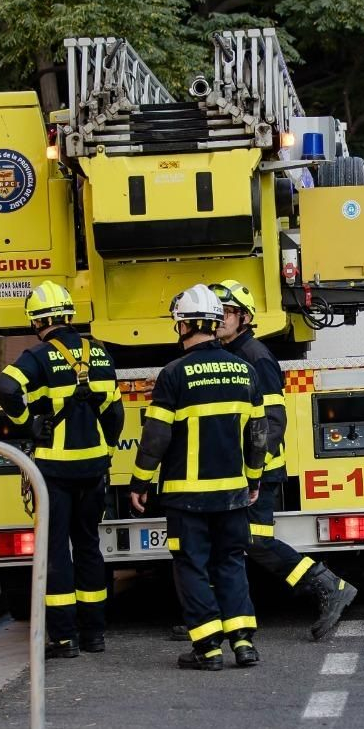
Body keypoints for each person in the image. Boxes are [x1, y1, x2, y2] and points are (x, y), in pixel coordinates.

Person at [129, 285, 268, 671]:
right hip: (232, 494)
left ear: (185, 325)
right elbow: (258, 436)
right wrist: (253, 479)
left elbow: (155, 437)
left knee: (191, 565)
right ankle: (243, 643)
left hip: (185, 497)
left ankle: (207, 649)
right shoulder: (245, 370)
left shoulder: (174, 374)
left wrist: (139, 483)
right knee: (230, 562)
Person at [212, 280, 358, 640]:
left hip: (260, 470)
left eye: (227, 313)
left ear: (244, 318)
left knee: (255, 541)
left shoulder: (256, 357)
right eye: (217, 313)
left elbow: (274, 422)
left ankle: (329, 584)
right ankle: (216, 616)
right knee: (227, 539)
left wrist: (254, 470)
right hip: (239, 468)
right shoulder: (229, 354)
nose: (220, 320)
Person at [0, 281, 124, 660]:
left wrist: (27, 423)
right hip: (94, 468)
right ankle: (94, 634)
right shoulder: (98, 354)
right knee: (88, 546)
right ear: (68, 315)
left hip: (54, 470)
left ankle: (64, 639)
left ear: (38, 321)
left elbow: (5, 387)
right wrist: (107, 450)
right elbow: (114, 413)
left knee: (55, 551)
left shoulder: (37, 356)